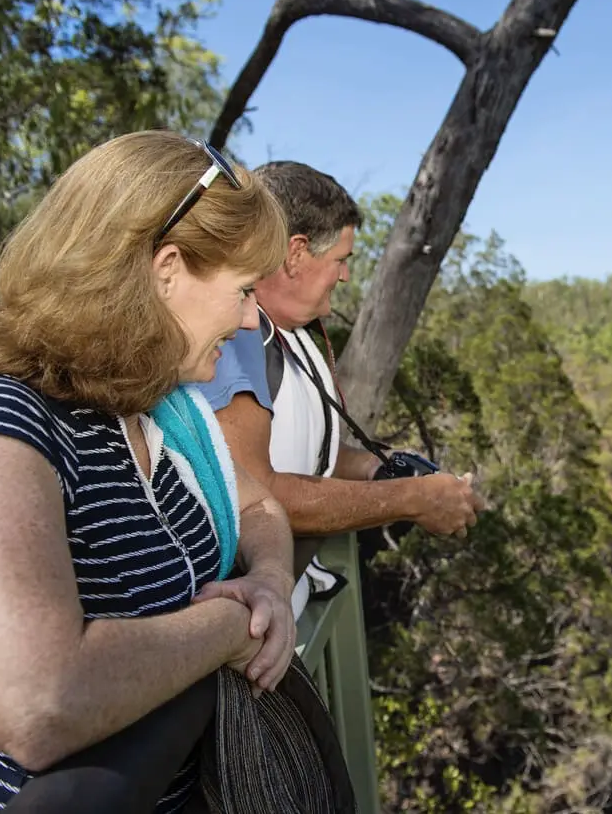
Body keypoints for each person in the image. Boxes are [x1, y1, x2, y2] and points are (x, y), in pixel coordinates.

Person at [0, 130, 298, 813]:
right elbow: (35, 701)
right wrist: (232, 629)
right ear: (166, 270)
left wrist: (267, 581)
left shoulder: (158, 409)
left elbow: (259, 508)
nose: (248, 321)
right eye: (241, 291)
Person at [196, 161, 486, 588]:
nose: (346, 274)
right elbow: (255, 495)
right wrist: (411, 499)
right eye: (340, 259)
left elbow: (298, 452)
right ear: (296, 253)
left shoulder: (289, 334)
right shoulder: (235, 339)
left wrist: (376, 467)